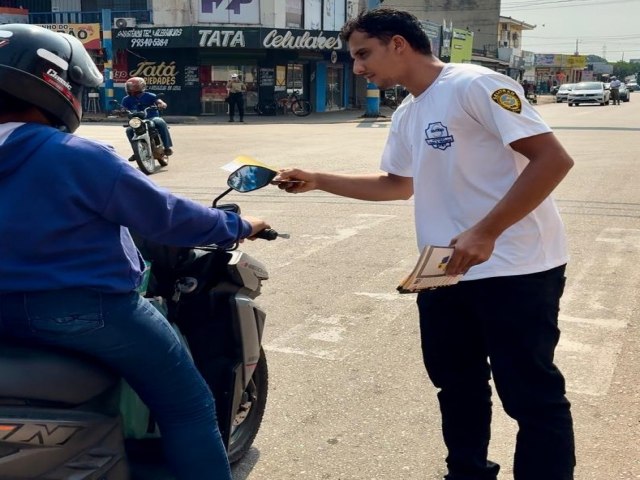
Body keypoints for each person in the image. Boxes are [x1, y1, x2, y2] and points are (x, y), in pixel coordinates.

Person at [275, 8, 575, 480]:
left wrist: (488, 229)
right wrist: (317, 179)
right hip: (443, 273)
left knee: (531, 395)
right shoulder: (410, 111)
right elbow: (397, 183)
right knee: (457, 387)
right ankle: (468, 472)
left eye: (363, 54)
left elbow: (552, 159)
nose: (357, 68)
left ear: (398, 43)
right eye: (353, 59)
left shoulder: (475, 85)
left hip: (517, 268)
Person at [0, 24, 270, 480]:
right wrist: (238, 224)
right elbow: (167, 216)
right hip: (87, 312)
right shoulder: (75, 154)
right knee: (188, 403)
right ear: (56, 84)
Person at [122, 76, 174, 161]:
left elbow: (159, 101)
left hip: (151, 117)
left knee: (160, 122)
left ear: (141, 86)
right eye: (129, 87)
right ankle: (136, 152)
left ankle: (167, 147)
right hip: (137, 120)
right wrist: (120, 112)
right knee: (129, 130)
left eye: (132, 86)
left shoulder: (150, 96)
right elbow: (123, 109)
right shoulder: (126, 99)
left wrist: (162, 104)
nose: (130, 88)